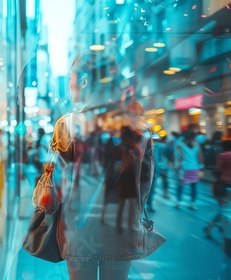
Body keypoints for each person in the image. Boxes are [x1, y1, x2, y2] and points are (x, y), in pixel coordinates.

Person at [45, 51, 160, 280]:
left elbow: (55, 187)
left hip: (78, 230)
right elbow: (145, 186)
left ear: (85, 81)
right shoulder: (139, 128)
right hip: (122, 227)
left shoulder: (67, 125)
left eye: (71, 78)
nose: (69, 85)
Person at [175, 130, 204, 210]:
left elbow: (180, 158)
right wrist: (201, 168)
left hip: (184, 169)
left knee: (180, 186)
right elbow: (200, 158)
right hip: (194, 168)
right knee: (193, 187)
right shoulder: (197, 145)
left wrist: (177, 168)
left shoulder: (180, 145)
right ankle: (192, 204)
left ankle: (178, 202)